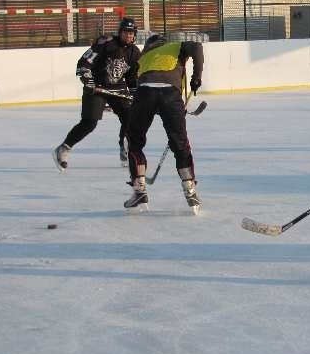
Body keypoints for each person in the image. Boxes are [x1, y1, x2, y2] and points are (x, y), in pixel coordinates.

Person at [123, 34, 203, 214]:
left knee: (134, 142)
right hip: (170, 96)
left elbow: (150, 88)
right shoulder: (175, 46)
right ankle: (190, 189)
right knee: (180, 143)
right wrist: (197, 77)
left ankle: (139, 190)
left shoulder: (143, 57)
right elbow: (197, 47)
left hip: (144, 94)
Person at [53, 17, 141, 171]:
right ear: (120, 32)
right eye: (126, 32)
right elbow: (84, 64)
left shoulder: (134, 52)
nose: (129, 35)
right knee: (90, 122)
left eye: (131, 33)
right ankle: (63, 148)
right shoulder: (105, 43)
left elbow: (132, 78)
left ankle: (124, 147)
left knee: (130, 116)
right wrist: (88, 80)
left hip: (117, 89)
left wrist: (136, 93)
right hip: (97, 87)